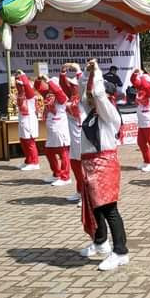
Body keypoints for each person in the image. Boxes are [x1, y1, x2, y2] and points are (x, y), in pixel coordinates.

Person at [78, 59, 129, 271]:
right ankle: (100, 242)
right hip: (89, 164)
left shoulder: (109, 114)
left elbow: (98, 94)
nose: (89, 98)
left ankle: (120, 252)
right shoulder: (90, 113)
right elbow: (83, 93)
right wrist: (85, 75)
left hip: (104, 163)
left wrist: (97, 72)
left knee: (109, 209)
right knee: (94, 207)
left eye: (93, 95)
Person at [35, 74, 71, 187]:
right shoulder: (49, 95)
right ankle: (56, 173)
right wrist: (38, 79)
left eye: (51, 86)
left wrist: (48, 80)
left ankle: (65, 177)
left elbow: (57, 91)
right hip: (51, 128)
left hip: (60, 127)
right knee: (49, 151)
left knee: (63, 152)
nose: (49, 89)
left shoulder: (62, 96)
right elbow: (38, 88)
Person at [60, 63, 85, 203]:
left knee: (83, 168)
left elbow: (84, 83)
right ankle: (79, 191)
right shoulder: (70, 100)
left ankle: (86, 196)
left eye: (75, 85)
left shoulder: (85, 100)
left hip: (83, 139)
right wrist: (63, 72)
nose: (72, 87)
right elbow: (62, 86)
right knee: (75, 165)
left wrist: (78, 70)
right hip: (73, 140)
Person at [130, 68, 150, 172]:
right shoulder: (143, 89)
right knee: (141, 142)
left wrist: (142, 75)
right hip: (142, 119)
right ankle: (147, 161)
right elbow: (135, 82)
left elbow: (145, 84)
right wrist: (135, 74)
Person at [14, 70, 40, 170]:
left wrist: (23, 74)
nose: (19, 86)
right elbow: (18, 84)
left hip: (29, 119)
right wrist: (17, 77)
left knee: (29, 141)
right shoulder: (20, 94)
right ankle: (28, 160)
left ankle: (34, 162)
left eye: (21, 85)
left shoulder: (30, 95)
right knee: (23, 140)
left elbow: (27, 86)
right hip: (22, 119)